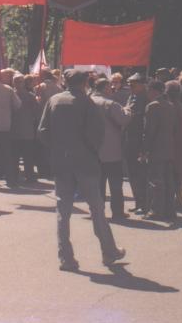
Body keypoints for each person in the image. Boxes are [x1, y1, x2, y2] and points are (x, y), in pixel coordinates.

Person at [39, 69, 125, 272]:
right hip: (85, 162)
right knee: (96, 209)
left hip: (61, 161)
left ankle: (66, 258)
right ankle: (109, 251)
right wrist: (90, 151)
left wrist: (57, 148)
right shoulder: (87, 102)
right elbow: (97, 133)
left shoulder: (54, 101)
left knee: (63, 211)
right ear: (85, 82)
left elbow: (43, 131)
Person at [91, 78, 131, 220]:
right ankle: (117, 212)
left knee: (97, 185)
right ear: (106, 88)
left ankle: (97, 212)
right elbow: (124, 119)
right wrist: (127, 109)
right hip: (111, 150)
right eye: (110, 87)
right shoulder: (110, 104)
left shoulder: (87, 102)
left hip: (92, 151)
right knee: (115, 185)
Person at [142, 80, 177, 222]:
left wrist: (144, 150)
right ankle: (169, 210)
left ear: (153, 91)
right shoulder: (170, 105)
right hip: (168, 147)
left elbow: (149, 131)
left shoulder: (153, 106)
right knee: (168, 181)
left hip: (156, 148)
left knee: (156, 181)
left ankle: (156, 211)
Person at [123, 73, 148, 214]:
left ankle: (144, 204)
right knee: (132, 174)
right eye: (129, 84)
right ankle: (138, 202)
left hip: (138, 140)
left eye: (133, 84)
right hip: (129, 138)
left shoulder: (145, 98)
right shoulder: (132, 96)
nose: (130, 86)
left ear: (141, 84)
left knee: (140, 175)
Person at [166, 80, 182, 211]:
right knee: (179, 172)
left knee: (171, 172)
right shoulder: (181, 106)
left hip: (172, 144)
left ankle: (174, 199)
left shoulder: (170, 106)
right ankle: (179, 198)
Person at [12, 73, 41, 184]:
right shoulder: (30, 96)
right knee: (27, 155)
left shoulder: (12, 95)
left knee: (16, 156)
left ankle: (14, 176)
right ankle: (29, 176)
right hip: (25, 129)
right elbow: (37, 113)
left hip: (15, 129)